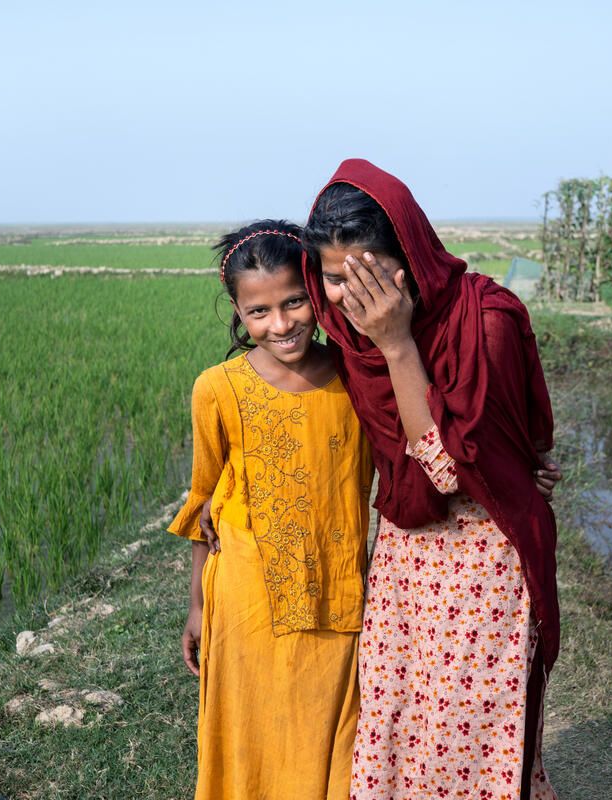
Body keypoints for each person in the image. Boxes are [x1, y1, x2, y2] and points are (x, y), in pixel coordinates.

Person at [301, 159, 561, 800]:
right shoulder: (348, 343)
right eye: (335, 279)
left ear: (410, 257)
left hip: (480, 563)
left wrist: (398, 346)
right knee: (395, 722)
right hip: (403, 560)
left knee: (469, 729)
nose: (351, 296)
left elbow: (446, 469)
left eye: (367, 273)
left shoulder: (485, 321)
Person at [167, 220, 372, 800]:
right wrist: (197, 607)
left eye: (294, 302)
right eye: (259, 312)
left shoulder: (356, 375)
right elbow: (203, 503)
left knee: (334, 743)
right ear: (236, 309)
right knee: (250, 739)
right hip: (246, 601)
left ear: (315, 291)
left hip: (338, 592)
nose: (280, 325)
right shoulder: (217, 389)